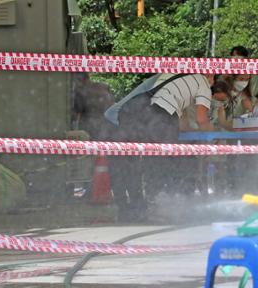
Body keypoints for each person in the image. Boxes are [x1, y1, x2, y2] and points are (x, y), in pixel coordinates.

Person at [104, 73, 231, 221]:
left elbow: (182, 123)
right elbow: (201, 119)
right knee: (167, 160)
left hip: (133, 117)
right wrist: (213, 133)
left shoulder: (173, 77)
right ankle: (163, 205)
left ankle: (133, 209)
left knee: (139, 162)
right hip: (155, 116)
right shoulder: (202, 82)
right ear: (211, 77)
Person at [71, 73, 115, 139]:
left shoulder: (81, 92)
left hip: (90, 130)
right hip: (106, 128)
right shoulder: (103, 87)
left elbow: (74, 114)